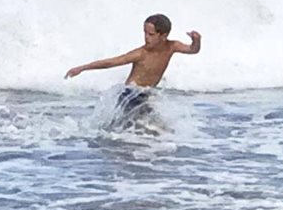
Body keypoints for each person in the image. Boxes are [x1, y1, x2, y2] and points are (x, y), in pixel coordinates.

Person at [67, 12, 201, 126]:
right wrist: (82, 68)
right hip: (131, 95)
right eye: (145, 33)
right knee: (144, 129)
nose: (146, 37)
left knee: (156, 129)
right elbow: (112, 62)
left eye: (151, 34)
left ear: (163, 35)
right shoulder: (141, 54)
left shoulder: (172, 46)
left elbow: (193, 50)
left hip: (146, 94)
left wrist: (196, 40)